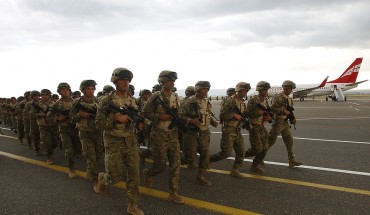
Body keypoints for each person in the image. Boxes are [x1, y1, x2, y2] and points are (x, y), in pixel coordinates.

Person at [95, 67, 144, 215]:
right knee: (115, 177)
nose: (126, 82)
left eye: (128, 80)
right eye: (123, 79)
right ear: (115, 81)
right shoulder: (106, 100)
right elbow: (98, 124)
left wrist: (138, 124)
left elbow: (135, 118)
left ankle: (132, 205)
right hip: (113, 142)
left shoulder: (133, 100)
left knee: (134, 174)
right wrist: (115, 118)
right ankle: (102, 179)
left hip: (130, 141)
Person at [142, 70, 185, 204]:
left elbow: (181, 112)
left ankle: (173, 192)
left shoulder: (176, 97)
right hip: (159, 135)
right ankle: (148, 173)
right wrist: (159, 116)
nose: (172, 83)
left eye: (173, 81)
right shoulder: (155, 97)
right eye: (169, 81)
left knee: (175, 164)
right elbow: (144, 113)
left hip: (173, 134)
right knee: (160, 166)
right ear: (161, 82)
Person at [209, 82, 251, 178]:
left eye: (247, 91)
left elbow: (243, 115)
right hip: (228, 129)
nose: (246, 93)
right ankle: (209, 159)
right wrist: (233, 115)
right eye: (244, 90)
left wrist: (246, 123)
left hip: (237, 129)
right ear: (239, 90)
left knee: (241, 151)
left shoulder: (242, 102)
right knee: (226, 153)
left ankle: (235, 170)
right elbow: (222, 116)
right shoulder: (230, 101)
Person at [180, 81, 218, 185]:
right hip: (191, 132)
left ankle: (200, 176)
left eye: (207, 89)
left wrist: (213, 121)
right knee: (190, 157)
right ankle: (174, 162)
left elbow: (207, 114)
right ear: (197, 89)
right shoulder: (189, 102)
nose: (206, 91)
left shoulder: (206, 102)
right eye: (204, 89)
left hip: (204, 132)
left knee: (205, 155)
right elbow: (180, 116)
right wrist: (191, 121)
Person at [70, 80, 102, 192]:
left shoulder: (98, 101)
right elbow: (71, 118)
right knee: (91, 156)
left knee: (98, 156)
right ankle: (95, 180)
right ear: (83, 90)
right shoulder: (77, 102)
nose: (91, 91)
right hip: (85, 132)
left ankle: (90, 169)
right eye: (88, 89)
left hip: (97, 132)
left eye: (92, 88)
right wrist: (80, 115)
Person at [267, 80, 303, 168]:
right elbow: (272, 108)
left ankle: (291, 160)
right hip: (278, 123)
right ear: (286, 88)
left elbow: (290, 110)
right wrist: (283, 110)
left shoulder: (288, 98)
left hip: (285, 123)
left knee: (289, 141)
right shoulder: (278, 97)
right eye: (290, 89)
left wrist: (292, 118)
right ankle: (258, 159)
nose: (291, 90)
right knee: (269, 142)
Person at [47, 83, 80, 179]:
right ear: (59, 92)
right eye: (62, 90)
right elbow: (49, 116)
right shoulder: (56, 104)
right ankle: (71, 168)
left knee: (77, 149)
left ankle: (72, 161)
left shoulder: (76, 102)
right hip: (64, 129)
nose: (65, 91)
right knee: (69, 150)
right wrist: (57, 118)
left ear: (69, 90)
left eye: (66, 89)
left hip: (76, 128)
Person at [244, 81, 273, 173]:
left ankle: (255, 165)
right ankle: (240, 154)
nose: (266, 91)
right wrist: (258, 113)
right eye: (265, 90)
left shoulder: (265, 100)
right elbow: (247, 114)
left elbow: (269, 112)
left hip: (261, 126)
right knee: (256, 149)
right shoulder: (253, 100)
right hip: (254, 126)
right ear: (259, 90)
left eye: (267, 90)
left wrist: (270, 117)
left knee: (265, 147)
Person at [32, 89, 59, 164]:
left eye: (46, 95)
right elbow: (31, 115)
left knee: (56, 142)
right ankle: (49, 157)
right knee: (47, 143)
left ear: (49, 95)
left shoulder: (54, 103)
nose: (44, 96)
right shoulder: (37, 104)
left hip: (54, 125)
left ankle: (49, 150)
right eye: (43, 95)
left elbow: (58, 113)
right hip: (43, 126)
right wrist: (38, 115)